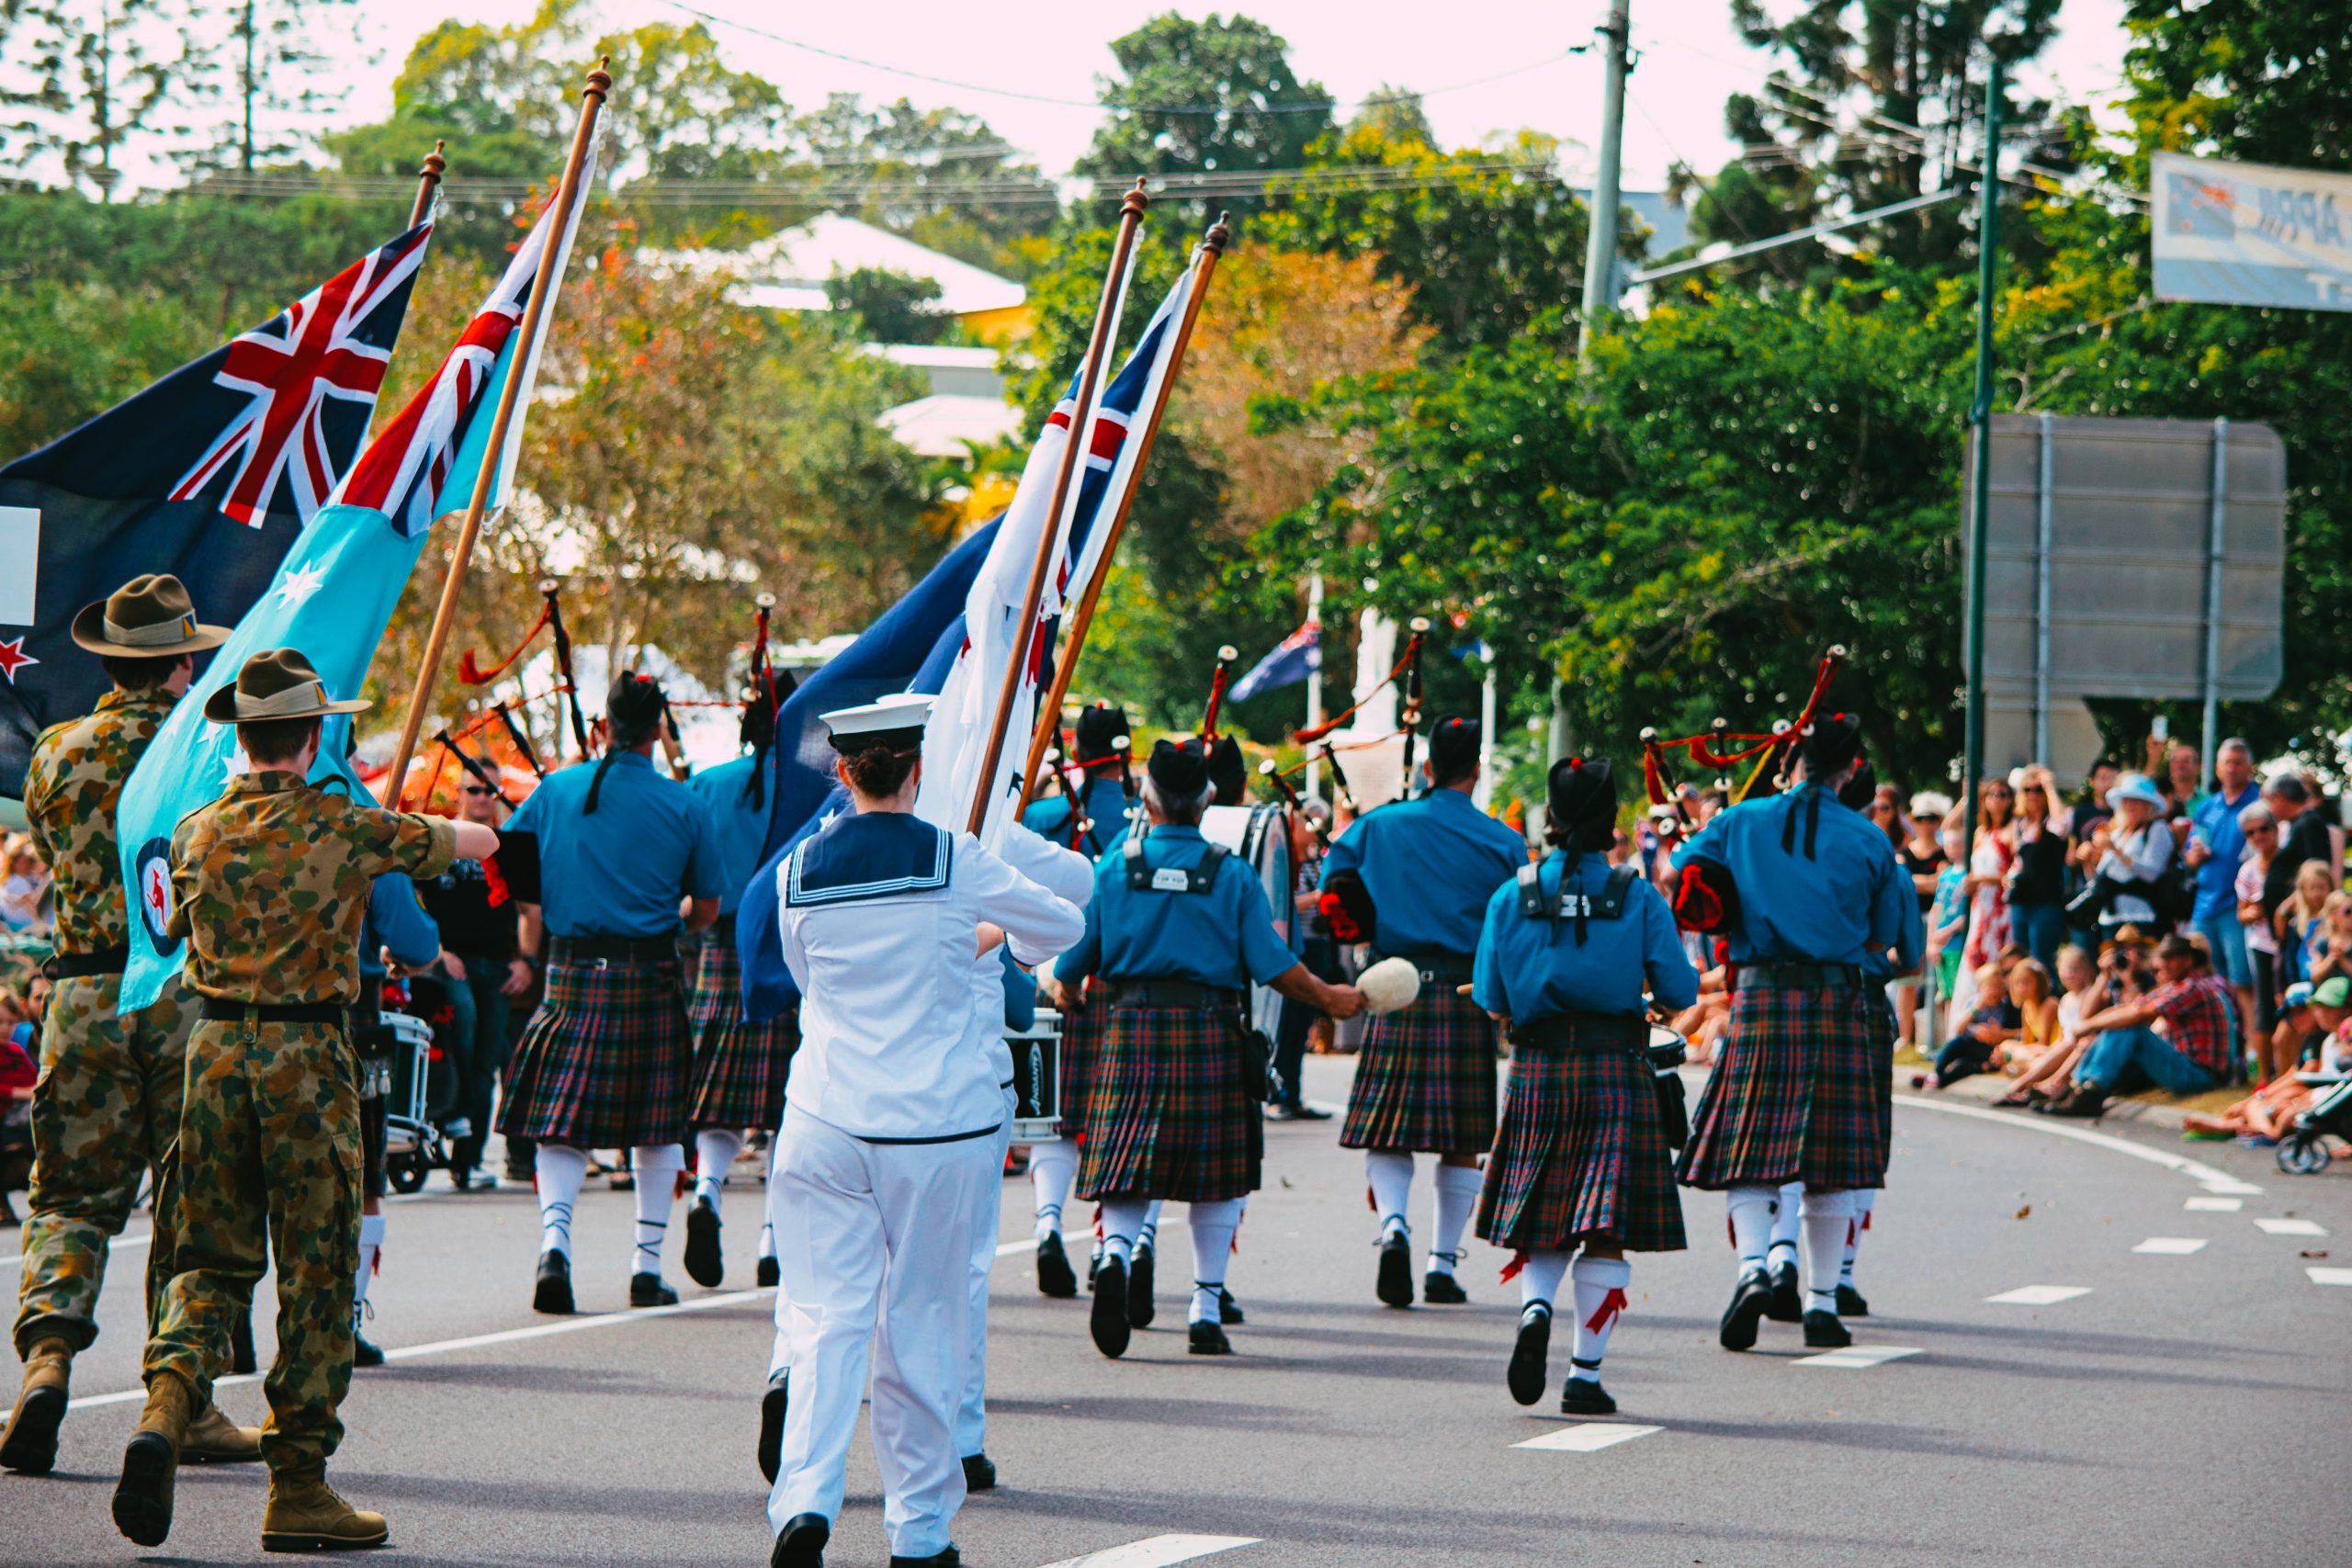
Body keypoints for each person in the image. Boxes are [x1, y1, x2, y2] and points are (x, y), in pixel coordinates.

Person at [114, 647, 492, 1551]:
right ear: (315, 732)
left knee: (206, 1263)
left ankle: (166, 1412)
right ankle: (299, 1486)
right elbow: (463, 844)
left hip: (211, 1055)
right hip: (307, 1058)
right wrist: (453, 828)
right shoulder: (347, 823)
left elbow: (168, 926)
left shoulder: (199, 830)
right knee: (316, 1276)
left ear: (240, 737)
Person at [761, 693, 1085, 1568]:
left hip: (827, 1114)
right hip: (938, 1126)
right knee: (922, 1324)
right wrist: (983, 940)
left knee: (826, 1318)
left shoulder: (796, 873)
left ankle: (803, 1502)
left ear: (843, 770)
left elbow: (808, 979)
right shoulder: (955, 855)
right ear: (914, 769)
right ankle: (919, 1530)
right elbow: (1064, 921)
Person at [2, 575, 261, 1479]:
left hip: (80, 999)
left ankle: (47, 1366)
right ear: (184, 659)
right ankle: (174, 1407)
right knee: (197, 1212)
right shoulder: (211, 751)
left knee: (70, 1199)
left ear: (112, 662)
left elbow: (47, 842)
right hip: (188, 999)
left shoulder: (58, 752)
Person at [1054, 738, 1366, 1358]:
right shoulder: (1231, 871)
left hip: (1133, 1028)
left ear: (1145, 797)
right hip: (1209, 1031)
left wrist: (1062, 986)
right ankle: (1204, 1306)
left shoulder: (1116, 863)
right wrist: (1332, 997)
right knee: (1216, 1181)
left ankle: (1115, 1255)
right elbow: (1273, 963)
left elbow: (1075, 958)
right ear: (1208, 799)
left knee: (1128, 1168)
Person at [1672, 711, 1923, 1352]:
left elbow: (1684, 875)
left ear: (1792, 761)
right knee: (1831, 1167)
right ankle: (1820, 1303)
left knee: (1752, 1153)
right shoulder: (1871, 842)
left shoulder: (1739, 820)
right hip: (1839, 1003)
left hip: (1759, 997)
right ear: (1852, 769)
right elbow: (1885, 940)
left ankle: (1754, 1267)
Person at [1473, 757, 1698, 1416]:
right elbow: (1681, 991)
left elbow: (1490, 997)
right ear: (1608, 820)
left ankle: (1536, 1306)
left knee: (1545, 1216)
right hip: (1613, 1065)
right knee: (1604, 1227)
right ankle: (1584, 1374)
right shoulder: (1637, 893)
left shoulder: (1510, 893)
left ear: (1551, 814)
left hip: (1539, 1066)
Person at [499, 672, 724, 1315]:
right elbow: (707, 906)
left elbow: (513, 863)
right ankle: (645, 1270)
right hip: (649, 975)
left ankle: (555, 1249)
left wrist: (547, 905)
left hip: (570, 973)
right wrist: (676, 918)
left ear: (602, 727)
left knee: (560, 1127)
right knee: (657, 1131)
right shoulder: (684, 803)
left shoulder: (555, 789)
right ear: (658, 730)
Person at [1319, 716, 1526, 1307]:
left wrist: (1367, 926)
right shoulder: (1503, 841)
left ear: (1428, 767)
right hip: (1464, 992)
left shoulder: (1376, 827)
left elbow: (1337, 891)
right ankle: (1441, 1263)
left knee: (1390, 1133)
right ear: (1476, 770)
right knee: (1462, 1140)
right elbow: (1513, 921)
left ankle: (1393, 1228)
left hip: (1395, 987)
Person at [679, 695, 803, 1292]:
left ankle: (707, 1190)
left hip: (720, 949)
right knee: (789, 1107)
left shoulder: (707, 784)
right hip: (788, 947)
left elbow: (690, 875)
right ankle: (774, 1241)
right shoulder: (811, 786)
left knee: (717, 1099)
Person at [1016, 703, 1136, 1298]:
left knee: (1055, 1119)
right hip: (1120, 987)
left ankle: (1046, 1224)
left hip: (1048, 981)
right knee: (1121, 1124)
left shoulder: (1041, 816)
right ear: (1127, 753)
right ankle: (1116, 1251)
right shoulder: (1142, 823)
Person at [417, 772, 532, 1190]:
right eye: (475, 789)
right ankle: (457, 1116)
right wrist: (439, 951)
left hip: (500, 966)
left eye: (491, 789)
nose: (484, 797)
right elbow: (414, 900)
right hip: (453, 964)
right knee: (463, 1031)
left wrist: (526, 962)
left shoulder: (510, 845)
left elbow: (529, 910)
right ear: (460, 793)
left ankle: (469, 1159)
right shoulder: (439, 839)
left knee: (488, 1063)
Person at [347, 874, 441, 1370]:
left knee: (247, 1177)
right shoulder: (369, 827)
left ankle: (232, 1328)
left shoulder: (227, 814)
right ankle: (346, 1323)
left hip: (241, 1015)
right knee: (363, 1178)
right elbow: (420, 947)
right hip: (351, 1015)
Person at [2041, 932, 2237, 1118]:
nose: (2162, 964)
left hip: (2202, 1076)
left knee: (2131, 1028)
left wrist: (2088, 1025)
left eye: (2170, 958)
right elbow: (2122, 1010)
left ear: (2188, 960)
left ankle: (2089, 1091)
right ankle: (2079, 1088)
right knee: (2119, 1025)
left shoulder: (2193, 987)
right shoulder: (2173, 987)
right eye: (2162, 958)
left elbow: (2138, 1015)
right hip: (2183, 1066)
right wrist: (2104, 977)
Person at [2185, 739, 2261, 1021]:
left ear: (2249, 768)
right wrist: (2195, 854)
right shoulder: (2207, 807)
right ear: (2217, 768)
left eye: (2238, 762)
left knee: (2242, 982)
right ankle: (2224, 1044)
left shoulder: (2259, 803)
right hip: (2204, 904)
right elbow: (2189, 859)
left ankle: (2252, 1053)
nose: (2232, 768)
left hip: (2239, 906)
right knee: (2205, 979)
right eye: (2227, 762)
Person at [2085, 773, 2176, 935]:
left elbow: (2151, 873)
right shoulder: (2119, 833)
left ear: (2149, 806)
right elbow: (2098, 879)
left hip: (2141, 916)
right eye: (2126, 800)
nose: (2129, 806)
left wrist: (2116, 851)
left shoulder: (2157, 829)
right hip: (2110, 917)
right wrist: (2087, 860)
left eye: (2136, 801)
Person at [2007, 773, 2069, 972]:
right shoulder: (2020, 825)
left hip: (2046, 902)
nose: (2033, 795)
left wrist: (2050, 787)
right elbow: (2018, 861)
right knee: (2020, 961)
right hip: (2021, 901)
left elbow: (2062, 826)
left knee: (2041, 962)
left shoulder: (2051, 822)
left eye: (2038, 790)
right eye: (2028, 789)